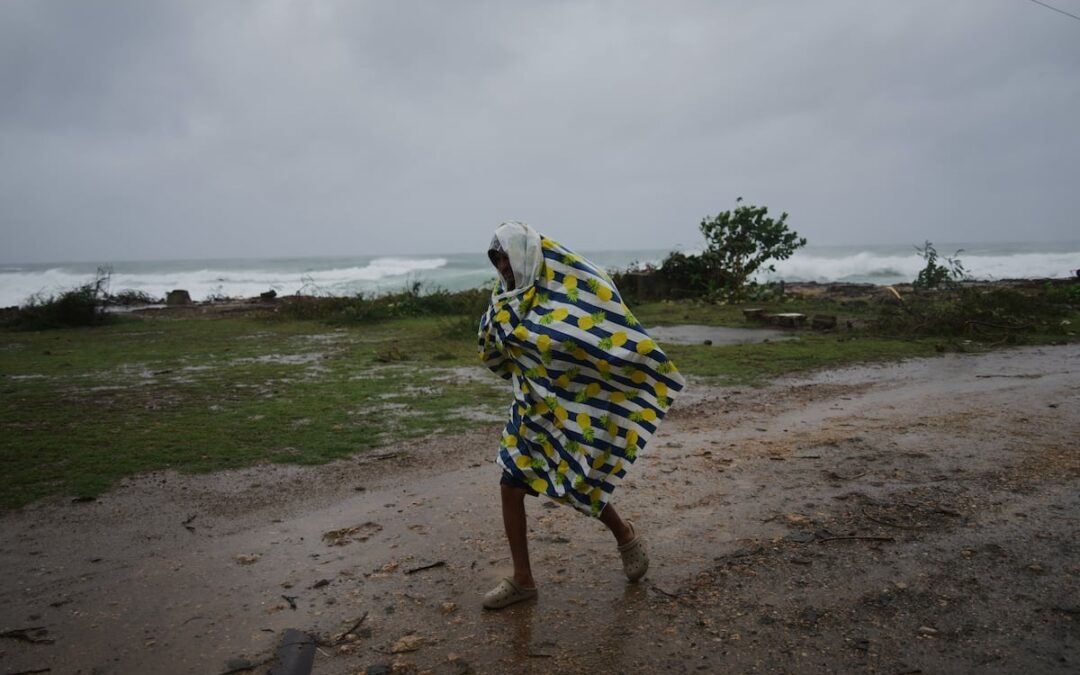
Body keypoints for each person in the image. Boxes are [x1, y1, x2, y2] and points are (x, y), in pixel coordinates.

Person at [477, 221, 686, 609]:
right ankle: (523, 580)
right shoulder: (504, 298)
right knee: (510, 485)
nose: (502, 266)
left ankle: (625, 535)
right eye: (497, 259)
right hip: (529, 408)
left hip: (570, 407)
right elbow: (495, 347)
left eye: (506, 257)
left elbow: (598, 333)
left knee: (578, 480)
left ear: (524, 253)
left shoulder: (568, 294)